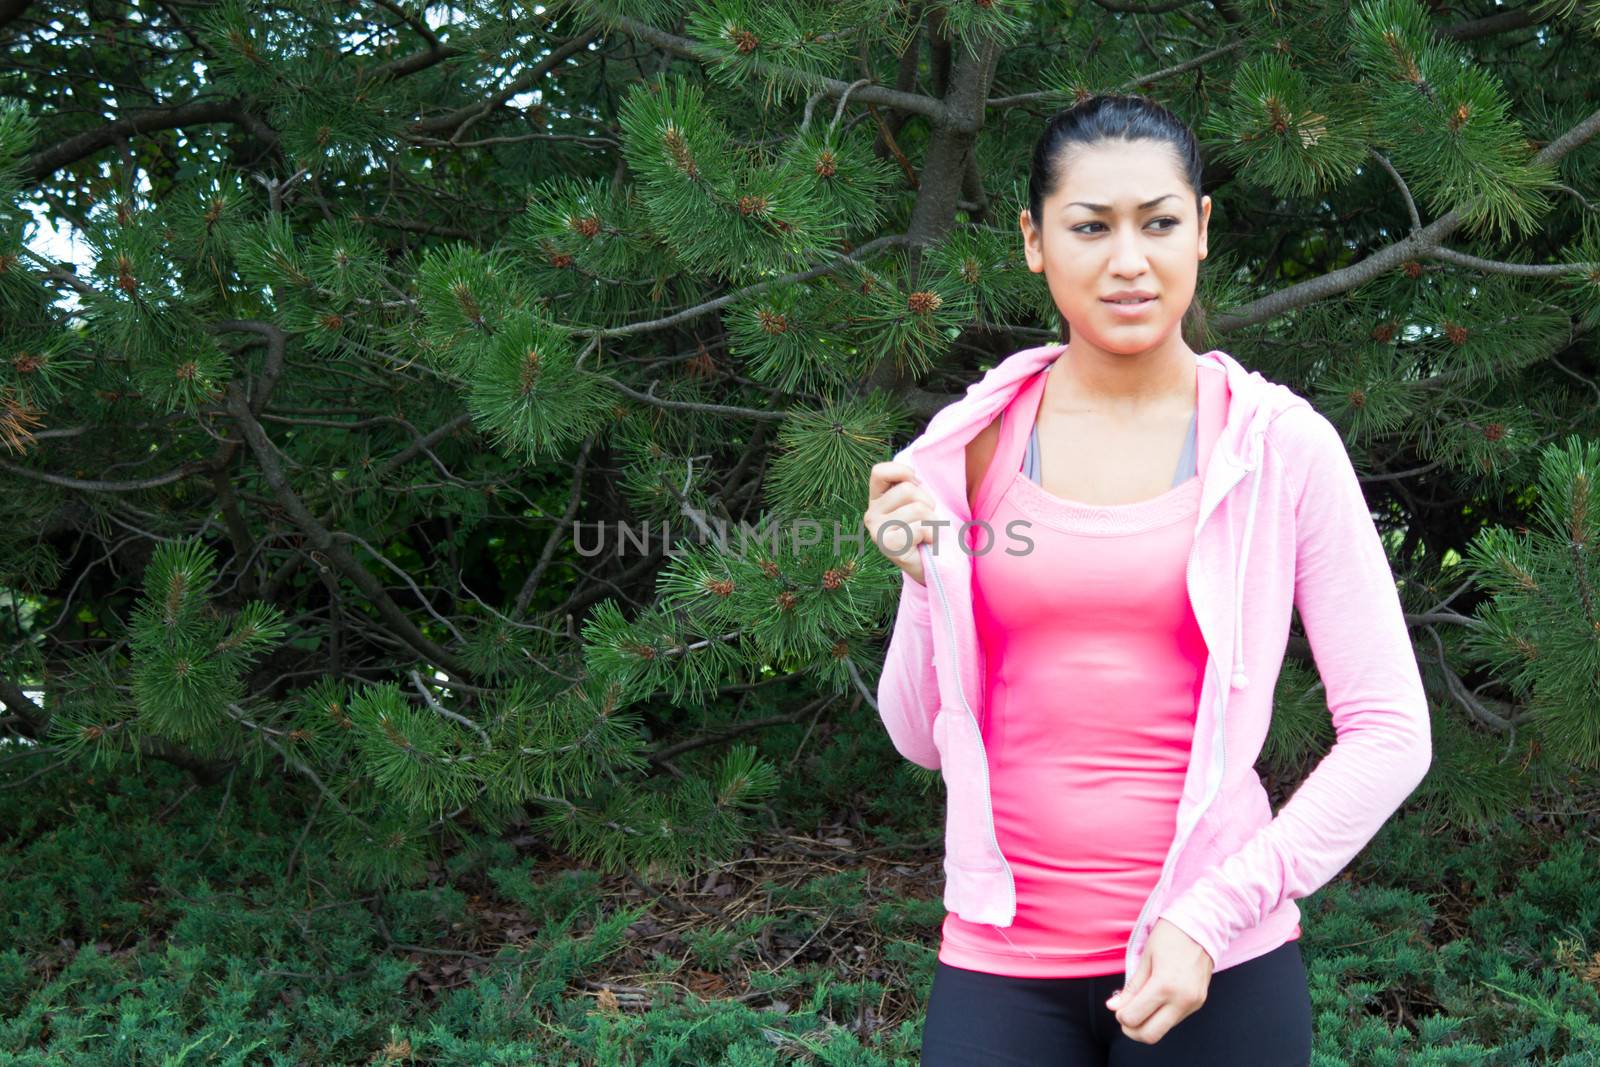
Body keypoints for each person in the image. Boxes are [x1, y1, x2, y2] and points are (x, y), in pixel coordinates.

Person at [861, 94, 1432, 1065]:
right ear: (1034, 241)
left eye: (1158, 222)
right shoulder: (967, 447)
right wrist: (923, 577)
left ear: (1200, 230)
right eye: (1089, 226)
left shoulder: (1279, 447)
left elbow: (1390, 732)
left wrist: (1211, 916)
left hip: (1215, 961)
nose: (1128, 260)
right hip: (1000, 962)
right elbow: (920, 739)